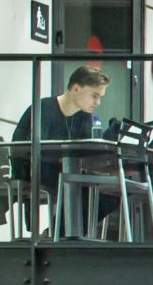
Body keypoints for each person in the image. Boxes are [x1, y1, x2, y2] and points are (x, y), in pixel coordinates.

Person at [6, 65, 112, 232]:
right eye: (94, 96)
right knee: (83, 187)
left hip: (63, 173)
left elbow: (83, 153)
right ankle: (62, 233)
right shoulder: (44, 109)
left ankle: (57, 232)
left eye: (100, 98)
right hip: (34, 172)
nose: (97, 103)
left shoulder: (84, 116)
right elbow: (27, 153)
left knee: (110, 193)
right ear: (76, 88)